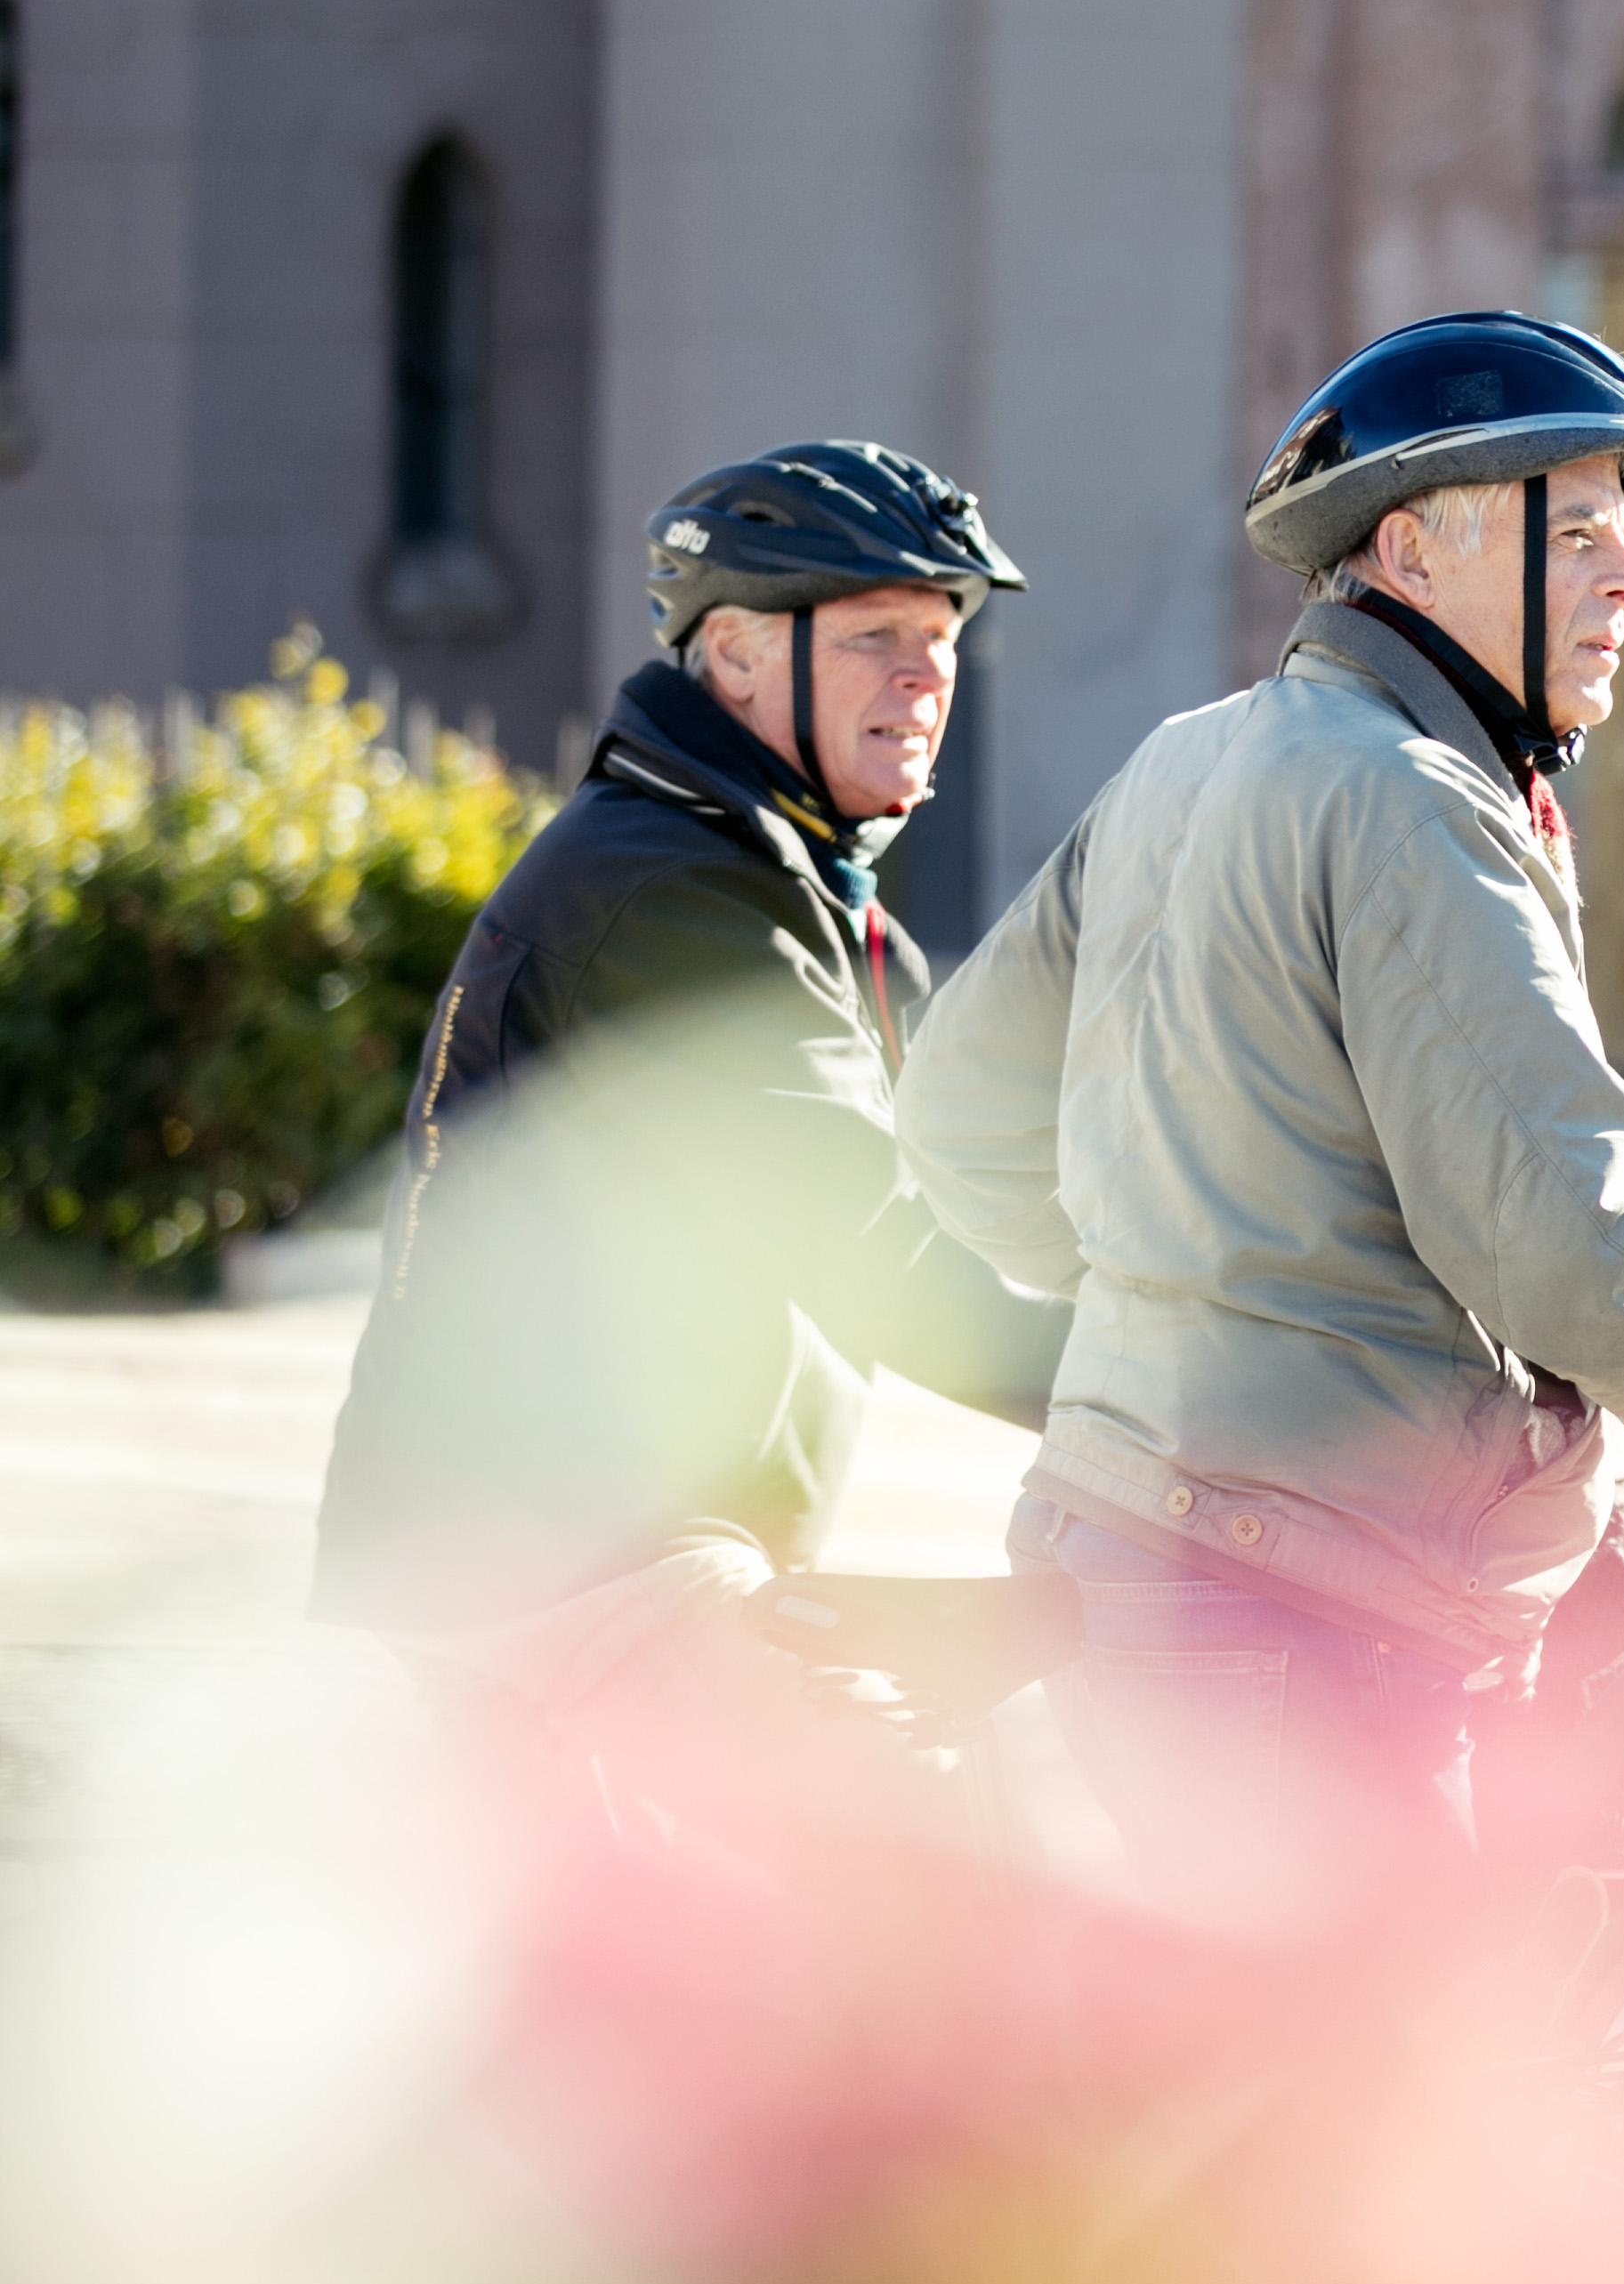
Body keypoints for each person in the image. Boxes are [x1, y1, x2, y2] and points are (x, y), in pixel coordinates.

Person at [894, 312, 1624, 1925]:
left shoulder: (1187, 758)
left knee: (1274, 2118)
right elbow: (1570, 1252)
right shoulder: (1409, 800)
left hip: (1128, 1555)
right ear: (1411, 552)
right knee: (1418, 2136)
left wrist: (1180, 1275)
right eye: (1579, 529)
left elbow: (957, 1113)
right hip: (1300, 1613)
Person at [311, 442, 1071, 1779]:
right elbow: (872, 1248)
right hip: (562, 1556)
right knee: (919, 1847)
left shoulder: (792, 886)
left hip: (627, 1544)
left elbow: (989, 1184)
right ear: (732, 655)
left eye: (944, 637)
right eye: (875, 635)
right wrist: (1159, 1396)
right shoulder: (674, 898)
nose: (926, 674)